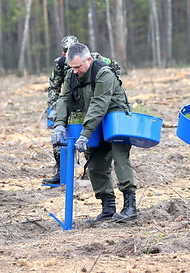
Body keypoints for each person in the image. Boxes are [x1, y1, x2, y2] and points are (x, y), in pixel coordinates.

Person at [51, 43, 137, 223]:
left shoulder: (103, 73)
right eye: (72, 67)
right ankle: (108, 208)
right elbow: (64, 99)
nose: (75, 71)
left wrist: (85, 134)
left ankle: (130, 206)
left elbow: (100, 103)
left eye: (78, 67)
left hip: (115, 117)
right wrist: (59, 124)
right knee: (96, 164)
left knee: (120, 158)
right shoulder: (71, 75)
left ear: (88, 60)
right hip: (93, 119)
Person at [43, 36, 121, 184]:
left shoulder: (95, 58)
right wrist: (54, 111)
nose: (67, 55)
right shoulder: (60, 64)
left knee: (87, 137)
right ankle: (62, 172)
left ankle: (90, 170)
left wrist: (107, 88)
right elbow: (55, 88)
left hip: (90, 101)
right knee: (59, 138)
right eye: (65, 52)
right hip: (70, 103)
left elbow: (115, 68)